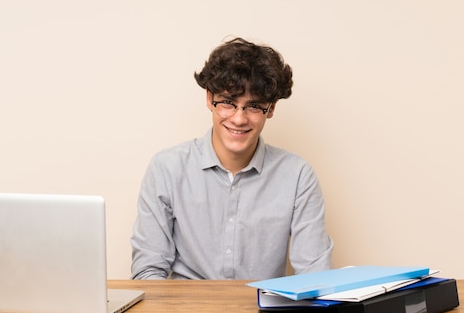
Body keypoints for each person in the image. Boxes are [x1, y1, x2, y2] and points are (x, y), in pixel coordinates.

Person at [131, 37, 333, 280]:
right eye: (228, 103)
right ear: (209, 99)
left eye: (254, 106)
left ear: (271, 109)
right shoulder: (166, 169)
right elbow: (148, 271)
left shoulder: (298, 176)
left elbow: (315, 275)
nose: (239, 118)